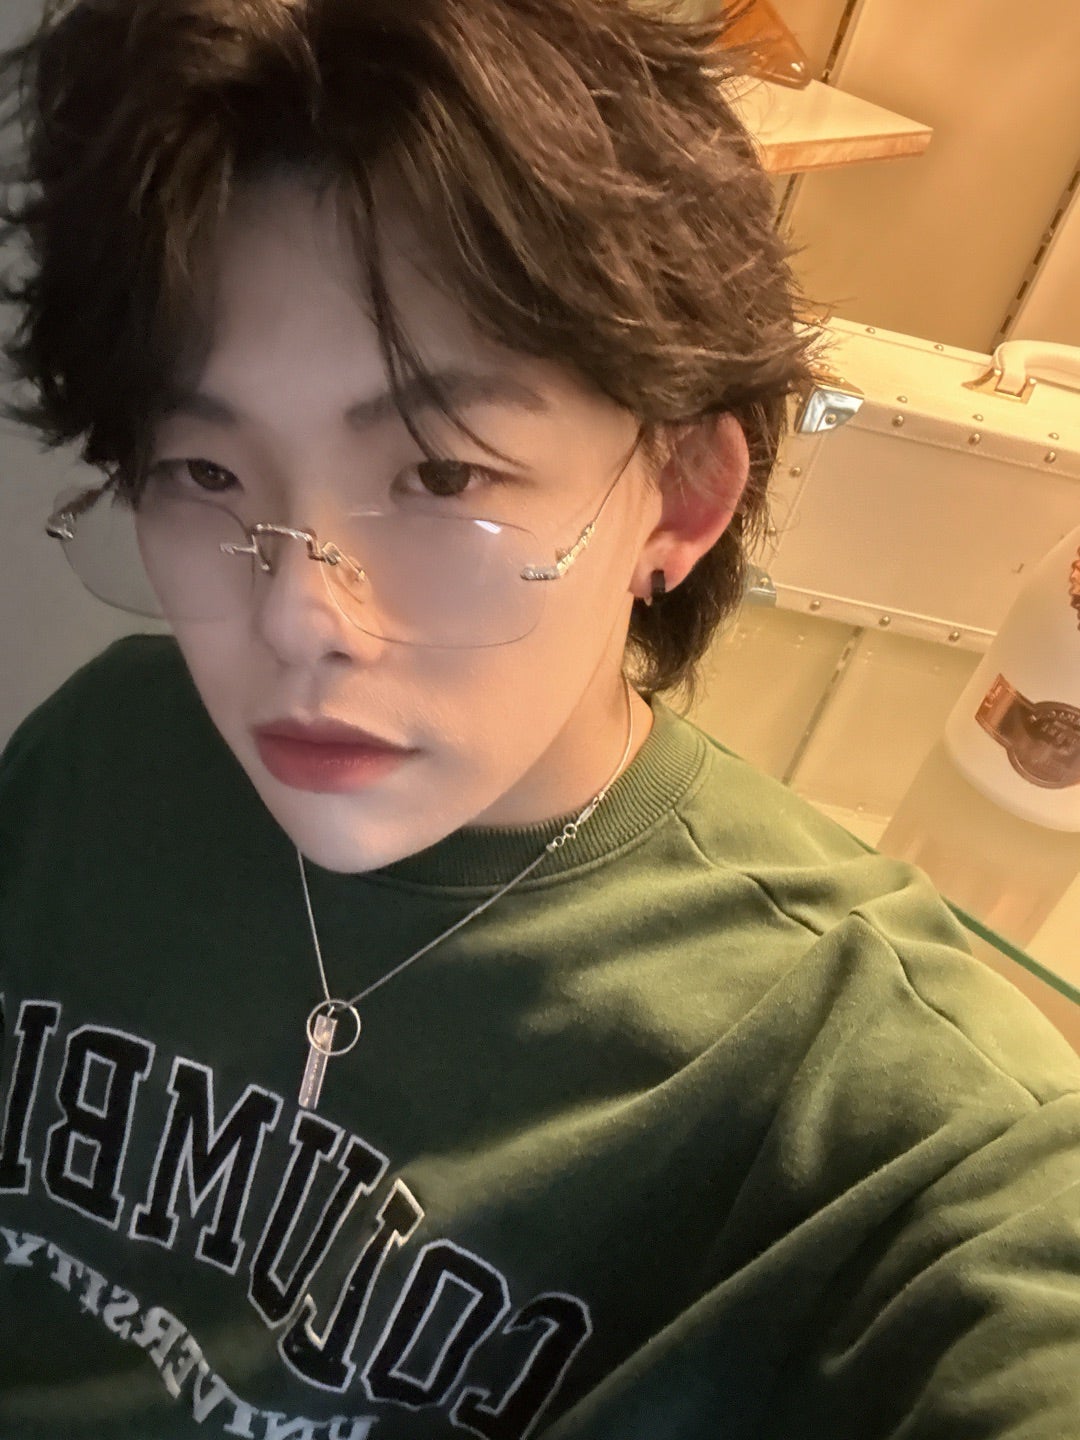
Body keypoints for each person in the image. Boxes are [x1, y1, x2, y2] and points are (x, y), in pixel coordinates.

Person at [0, 1, 1077, 1436]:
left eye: (441, 477)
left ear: (680, 497)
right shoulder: (111, 750)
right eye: (203, 472)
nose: (297, 618)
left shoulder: (859, 1091)